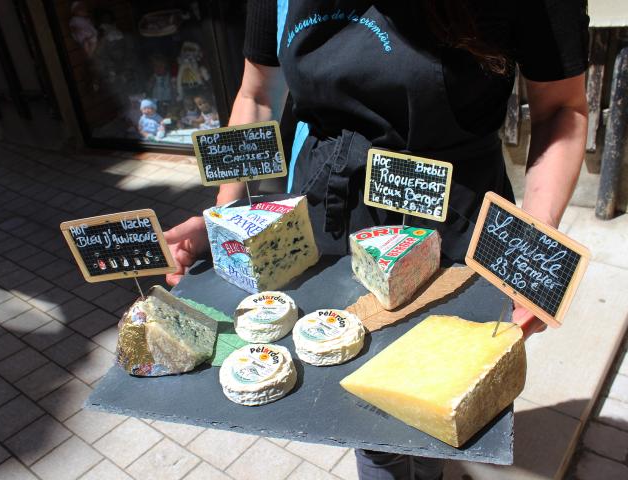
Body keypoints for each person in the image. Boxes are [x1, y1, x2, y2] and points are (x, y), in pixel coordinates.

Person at [165, 1, 589, 478]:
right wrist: (226, 218)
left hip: (452, 220)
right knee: (360, 405)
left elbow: (561, 109)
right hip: (328, 216)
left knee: (432, 402)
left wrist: (531, 244)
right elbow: (259, 95)